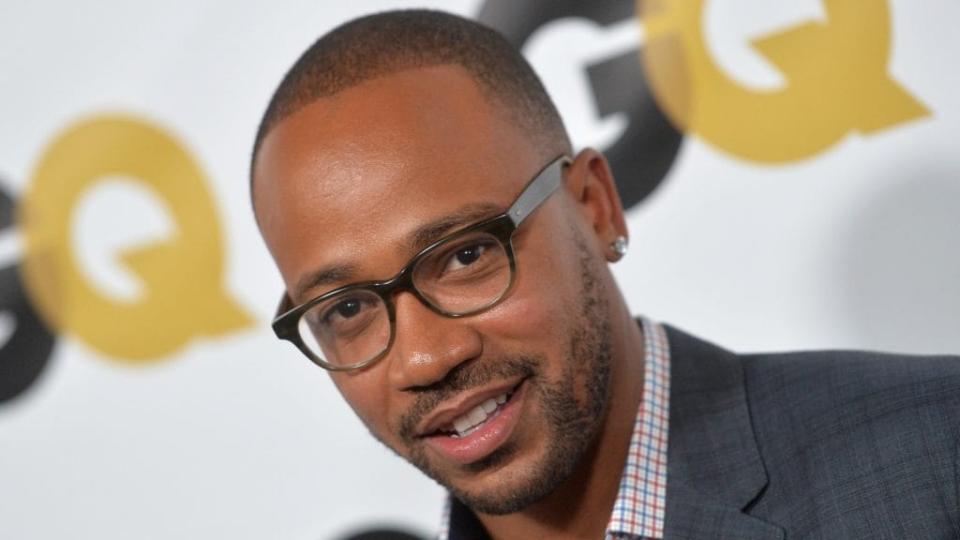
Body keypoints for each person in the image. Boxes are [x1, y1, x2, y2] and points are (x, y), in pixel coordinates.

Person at [249, 9, 960, 540]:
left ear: (595, 207)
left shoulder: (933, 454)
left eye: (465, 255)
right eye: (346, 310)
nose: (426, 358)